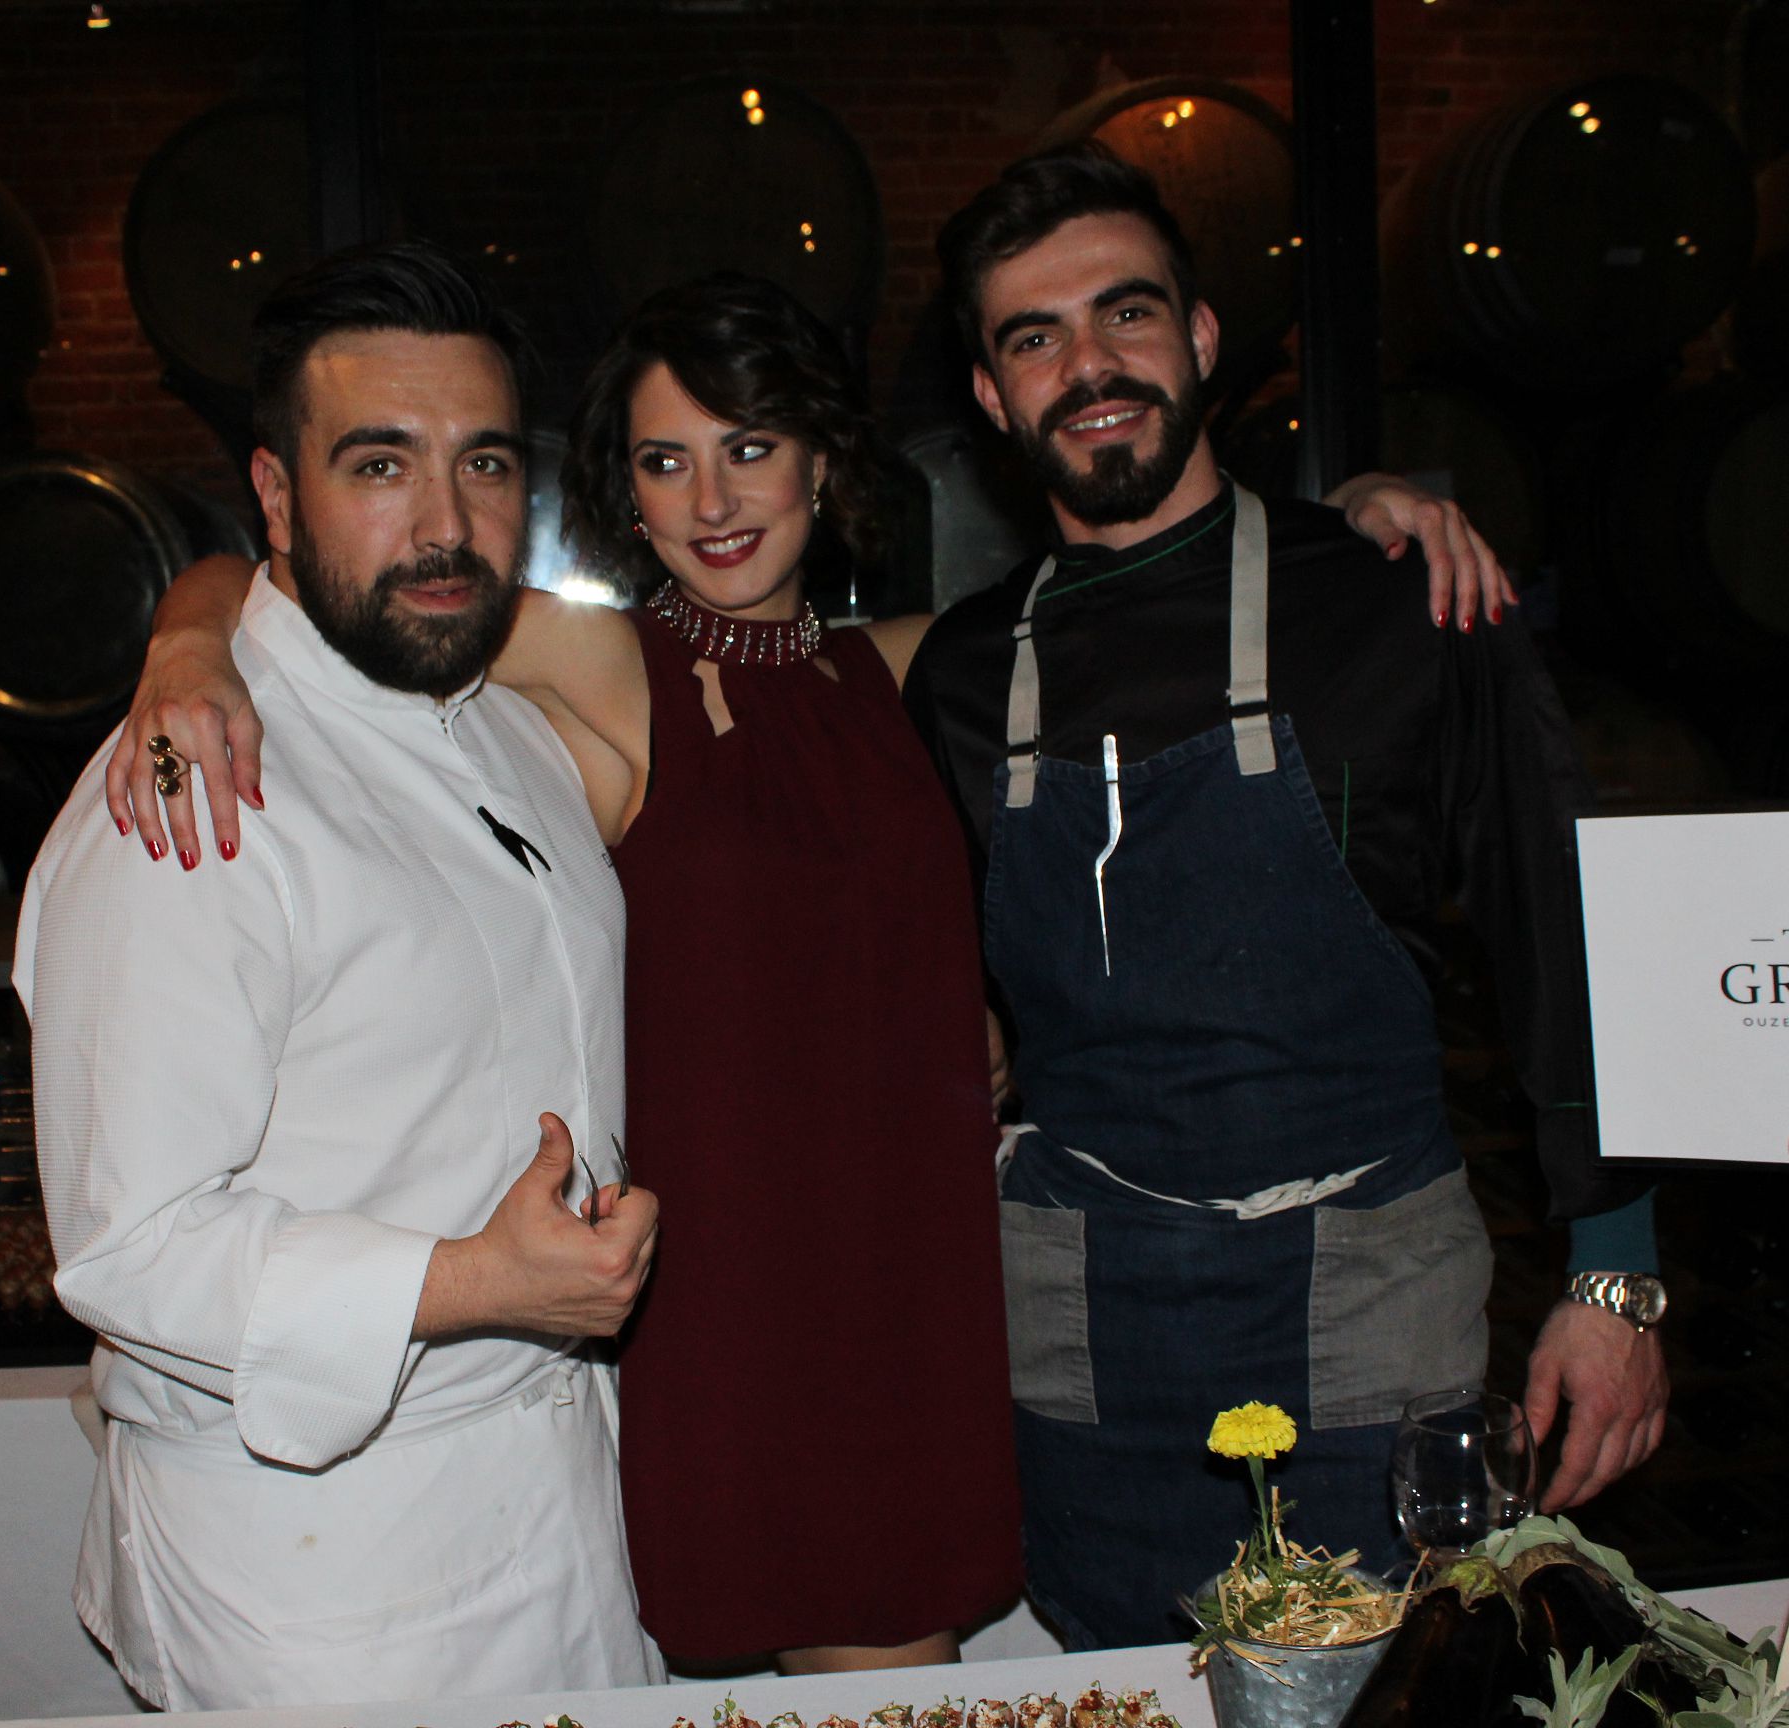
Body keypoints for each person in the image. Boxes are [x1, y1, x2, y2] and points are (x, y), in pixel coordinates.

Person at [108, 280, 1511, 1671]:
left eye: (751, 446)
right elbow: (311, 583)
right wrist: (185, 646)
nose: (713, 499)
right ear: (626, 496)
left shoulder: (919, 665)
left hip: (919, 1265)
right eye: (666, 461)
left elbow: (1163, 602)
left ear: (822, 464)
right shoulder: (603, 660)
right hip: (739, 1294)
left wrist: (1362, 515)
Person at [900, 143, 1670, 1649]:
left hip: (1368, 1307)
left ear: (1199, 338)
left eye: (1127, 314)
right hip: (1081, 1325)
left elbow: (1566, 931)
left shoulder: (1401, 599)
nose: (1089, 365)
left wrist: (1619, 1275)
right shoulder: (966, 675)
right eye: (1035, 337)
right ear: (992, 397)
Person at [13, 241, 662, 1710]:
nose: (445, 524)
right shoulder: (191, 791)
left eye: (483, 464)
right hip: (320, 1566)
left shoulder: (504, 727)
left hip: (558, 1491)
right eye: (380, 465)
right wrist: (473, 1281)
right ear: (275, 494)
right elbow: (132, 1242)